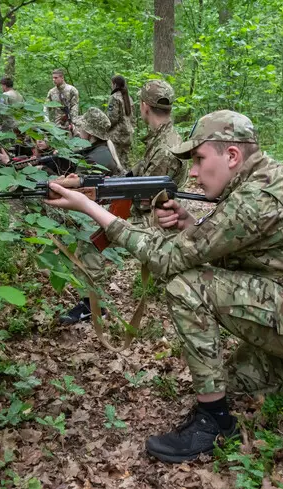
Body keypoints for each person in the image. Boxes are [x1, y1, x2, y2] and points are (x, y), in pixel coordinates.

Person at [44, 110, 283, 463]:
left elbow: (165, 260)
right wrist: (190, 225)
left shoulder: (257, 198)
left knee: (186, 285)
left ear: (231, 156)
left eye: (198, 158)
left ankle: (213, 421)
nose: (192, 172)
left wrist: (91, 208)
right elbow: (247, 252)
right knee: (238, 386)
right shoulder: (268, 180)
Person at [57, 80, 186, 325]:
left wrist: (101, 201)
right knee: (92, 220)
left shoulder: (165, 148)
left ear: (144, 106)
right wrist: (86, 183)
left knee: (89, 239)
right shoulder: (161, 139)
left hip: (154, 218)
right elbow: (133, 176)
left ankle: (91, 305)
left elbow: (145, 197)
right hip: (146, 209)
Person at [106, 75, 135, 168]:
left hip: (117, 135)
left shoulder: (114, 97)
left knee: (115, 162)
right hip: (128, 134)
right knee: (125, 162)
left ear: (115, 84)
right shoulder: (128, 98)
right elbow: (132, 117)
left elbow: (112, 118)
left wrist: (105, 128)